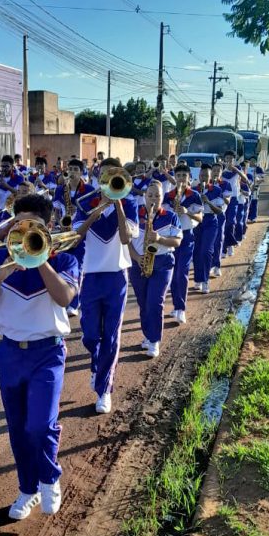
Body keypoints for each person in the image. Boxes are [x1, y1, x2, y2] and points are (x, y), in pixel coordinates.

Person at [0, 193, 79, 520]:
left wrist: (40, 258)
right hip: (9, 353)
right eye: (18, 225)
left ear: (47, 227)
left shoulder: (64, 261)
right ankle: (27, 489)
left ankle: (49, 478)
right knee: (18, 429)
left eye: (31, 226)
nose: (23, 230)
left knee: (40, 424)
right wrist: (6, 269)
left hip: (47, 352)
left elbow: (63, 298)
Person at [73, 158, 139, 414]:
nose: (108, 181)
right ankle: (98, 365)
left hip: (116, 277)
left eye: (113, 176)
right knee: (90, 335)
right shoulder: (85, 203)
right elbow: (77, 236)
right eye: (104, 176)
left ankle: (104, 390)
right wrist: (97, 211)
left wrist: (119, 205)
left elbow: (125, 237)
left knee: (111, 335)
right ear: (97, 178)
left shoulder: (131, 203)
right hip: (91, 277)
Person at [129, 180, 182, 357]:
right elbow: (126, 240)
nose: (153, 199)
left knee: (154, 302)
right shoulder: (135, 214)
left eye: (157, 196)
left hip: (163, 263)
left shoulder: (170, 216)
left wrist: (159, 239)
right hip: (139, 264)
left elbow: (177, 241)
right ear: (144, 196)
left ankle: (154, 341)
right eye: (150, 195)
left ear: (163, 197)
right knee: (143, 303)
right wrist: (136, 257)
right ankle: (147, 335)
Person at [52, 158, 94, 316]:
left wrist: (76, 206)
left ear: (82, 172)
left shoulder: (89, 189)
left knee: (78, 266)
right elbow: (56, 211)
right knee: (63, 266)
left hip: (80, 232)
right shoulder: (60, 189)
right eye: (70, 169)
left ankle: (75, 302)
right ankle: (64, 298)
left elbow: (91, 211)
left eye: (76, 170)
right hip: (64, 231)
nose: (72, 172)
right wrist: (58, 221)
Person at [163, 164, 203, 324]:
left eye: (183, 176)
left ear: (189, 178)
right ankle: (176, 305)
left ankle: (181, 308)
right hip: (171, 237)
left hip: (186, 236)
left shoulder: (194, 195)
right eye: (178, 175)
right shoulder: (168, 195)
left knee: (182, 273)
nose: (180, 179)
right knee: (173, 273)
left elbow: (200, 218)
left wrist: (187, 212)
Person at [192, 165, 225, 293]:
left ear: (210, 177)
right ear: (199, 175)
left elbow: (219, 211)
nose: (203, 177)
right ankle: (198, 279)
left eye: (206, 175)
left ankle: (205, 280)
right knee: (197, 251)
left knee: (206, 251)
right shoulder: (194, 190)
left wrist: (208, 202)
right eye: (202, 175)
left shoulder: (216, 190)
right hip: (196, 222)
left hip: (210, 222)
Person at [221, 151, 249, 256]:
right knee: (223, 223)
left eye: (231, 158)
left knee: (231, 223)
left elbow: (245, 179)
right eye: (227, 158)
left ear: (234, 160)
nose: (229, 160)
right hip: (223, 199)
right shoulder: (221, 170)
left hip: (233, 199)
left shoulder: (237, 170)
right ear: (224, 159)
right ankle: (224, 248)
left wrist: (236, 169)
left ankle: (230, 245)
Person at [210, 162, 231, 277]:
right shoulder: (206, 184)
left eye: (218, 170)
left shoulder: (226, 184)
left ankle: (217, 265)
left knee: (218, 240)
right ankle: (208, 265)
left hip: (219, 215)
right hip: (207, 216)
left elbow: (228, 201)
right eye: (214, 170)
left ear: (221, 172)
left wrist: (219, 191)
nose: (216, 172)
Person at [247, 156, 265, 222]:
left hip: (255, 188)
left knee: (254, 202)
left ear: (256, 161)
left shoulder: (258, 169)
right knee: (248, 202)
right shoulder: (247, 168)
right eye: (251, 160)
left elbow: (262, 179)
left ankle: (253, 217)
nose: (252, 162)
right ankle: (248, 217)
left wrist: (257, 181)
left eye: (254, 160)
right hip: (247, 188)